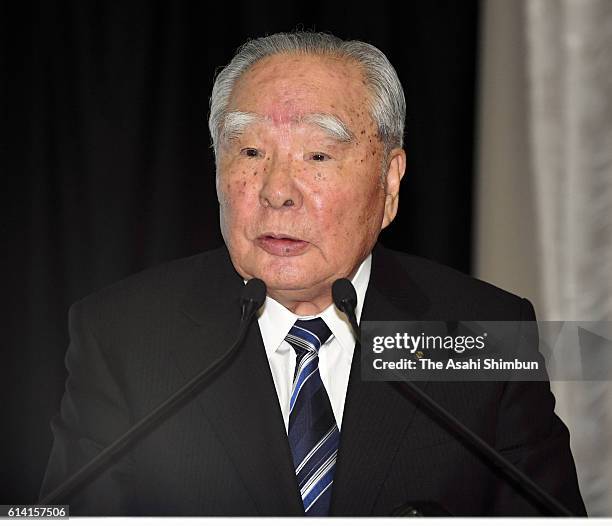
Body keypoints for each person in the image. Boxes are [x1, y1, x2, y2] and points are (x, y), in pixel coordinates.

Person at [40, 31, 586, 516]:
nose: (277, 190)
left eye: (318, 156)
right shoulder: (124, 335)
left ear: (390, 181)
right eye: (250, 150)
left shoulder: (484, 332)